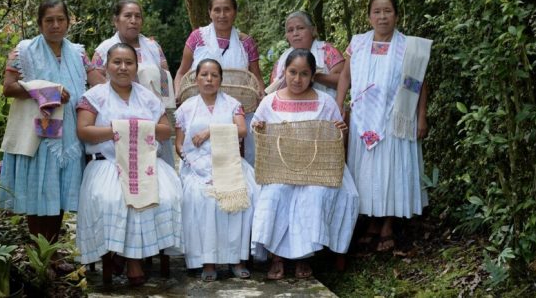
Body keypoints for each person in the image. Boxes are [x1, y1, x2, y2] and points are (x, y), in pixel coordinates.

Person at [76, 43, 183, 285]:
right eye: (117, 62)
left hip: (145, 161)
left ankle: (130, 254)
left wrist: (135, 128)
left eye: (129, 63)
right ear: (106, 67)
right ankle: (126, 257)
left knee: (166, 196)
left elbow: (165, 131)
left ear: (136, 67)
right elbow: (83, 131)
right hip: (108, 163)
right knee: (115, 199)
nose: (123, 68)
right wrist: (118, 130)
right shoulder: (93, 97)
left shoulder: (148, 97)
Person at [0, 0, 100, 248]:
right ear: (40, 24)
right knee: (38, 193)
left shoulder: (78, 53)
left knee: (59, 195)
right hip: (39, 133)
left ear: (68, 21)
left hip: (71, 132)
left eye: (60, 19)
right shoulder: (23, 51)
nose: (55, 25)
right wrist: (48, 91)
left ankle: (51, 253)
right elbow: (8, 88)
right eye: (49, 20)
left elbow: (99, 83)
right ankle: (39, 256)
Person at [335, 0, 431, 252]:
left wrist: (421, 116)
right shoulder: (358, 43)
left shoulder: (409, 47)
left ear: (396, 16)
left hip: (396, 117)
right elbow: (345, 76)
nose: (382, 16)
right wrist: (338, 106)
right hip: (362, 119)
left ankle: (388, 223)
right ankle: (373, 221)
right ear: (369, 16)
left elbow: (419, 84)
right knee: (367, 171)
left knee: (391, 169)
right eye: (377, 11)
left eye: (387, 11)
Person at [251, 49, 359, 280]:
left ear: (312, 76)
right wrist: (258, 128)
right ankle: (277, 257)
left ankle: (303, 257)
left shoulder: (326, 101)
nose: (297, 79)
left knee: (314, 194)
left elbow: (338, 140)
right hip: (279, 167)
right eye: (292, 72)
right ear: (284, 72)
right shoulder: (270, 102)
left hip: (317, 168)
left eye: (304, 74)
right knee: (275, 193)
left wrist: (340, 131)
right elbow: (256, 130)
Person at [174, 58, 257, 281]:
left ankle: (237, 259)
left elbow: (241, 131)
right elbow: (179, 143)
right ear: (196, 78)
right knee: (201, 197)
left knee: (245, 194)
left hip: (229, 160)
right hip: (196, 163)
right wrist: (189, 161)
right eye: (204, 75)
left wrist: (210, 131)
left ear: (221, 80)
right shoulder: (186, 108)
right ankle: (207, 260)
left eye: (214, 75)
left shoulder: (232, 104)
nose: (209, 79)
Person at [174, 0, 265, 165]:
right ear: (209, 12)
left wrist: (262, 98)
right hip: (201, 110)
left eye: (227, 10)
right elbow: (181, 72)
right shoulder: (197, 38)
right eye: (217, 10)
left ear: (235, 12)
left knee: (239, 163)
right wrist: (178, 94)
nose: (222, 15)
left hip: (240, 112)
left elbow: (256, 77)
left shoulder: (246, 42)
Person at [92, 0, 175, 166]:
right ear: (116, 20)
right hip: (120, 119)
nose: (133, 20)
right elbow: (96, 83)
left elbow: (165, 76)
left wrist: (160, 107)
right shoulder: (104, 49)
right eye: (128, 15)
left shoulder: (153, 47)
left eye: (138, 16)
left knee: (156, 168)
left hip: (154, 118)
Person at [269, 11, 344, 98]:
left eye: (300, 28)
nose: (295, 34)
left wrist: (313, 76)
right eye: (290, 30)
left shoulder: (327, 51)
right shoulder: (283, 59)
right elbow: (273, 90)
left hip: (326, 108)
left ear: (312, 30)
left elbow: (346, 80)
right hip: (290, 109)